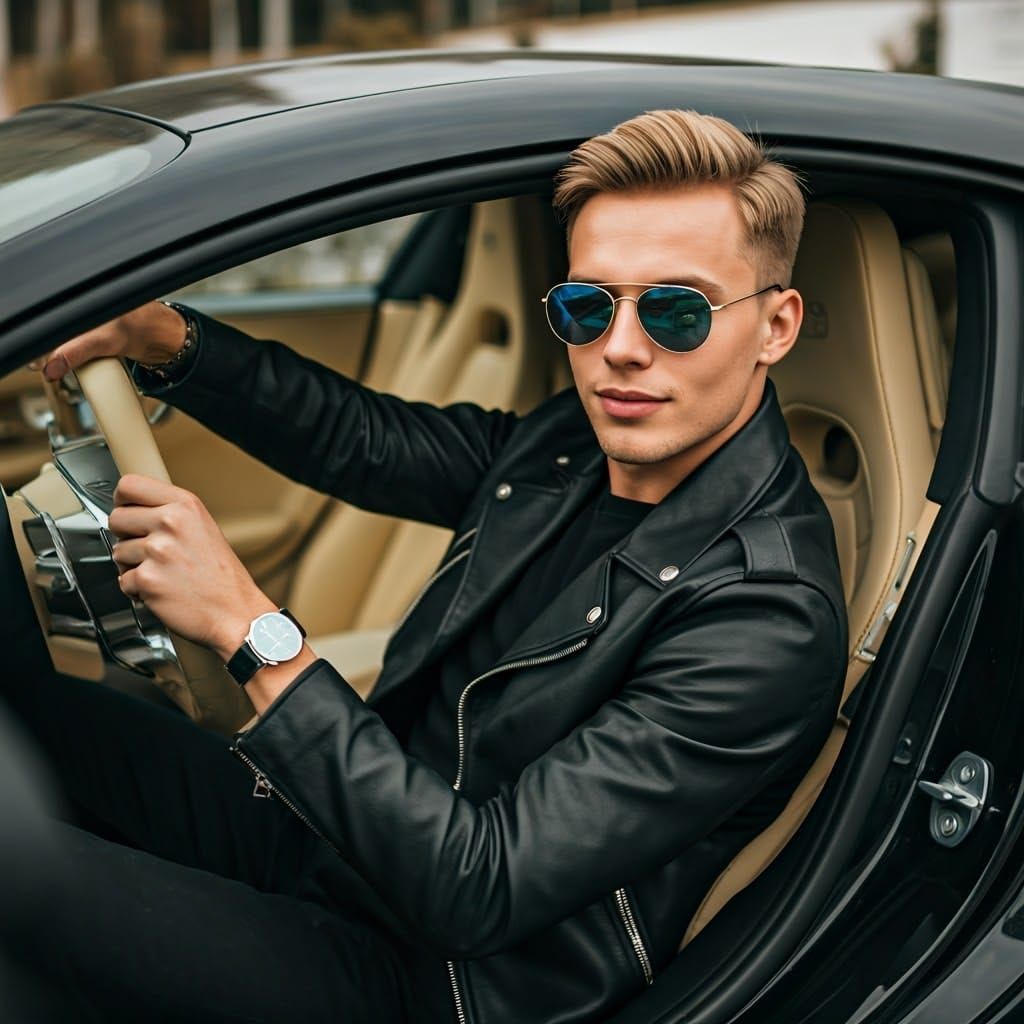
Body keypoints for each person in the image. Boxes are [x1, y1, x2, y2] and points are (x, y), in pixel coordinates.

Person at [10, 109, 847, 1023]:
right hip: (351, 833)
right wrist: (164, 338)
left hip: (430, 979)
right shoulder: (576, 443)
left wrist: (252, 630)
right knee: (26, 715)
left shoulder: (767, 617)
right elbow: (366, 441)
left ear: (776, 326)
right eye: (586, 306)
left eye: (677, 311)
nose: (619, 348)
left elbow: (480, 885)